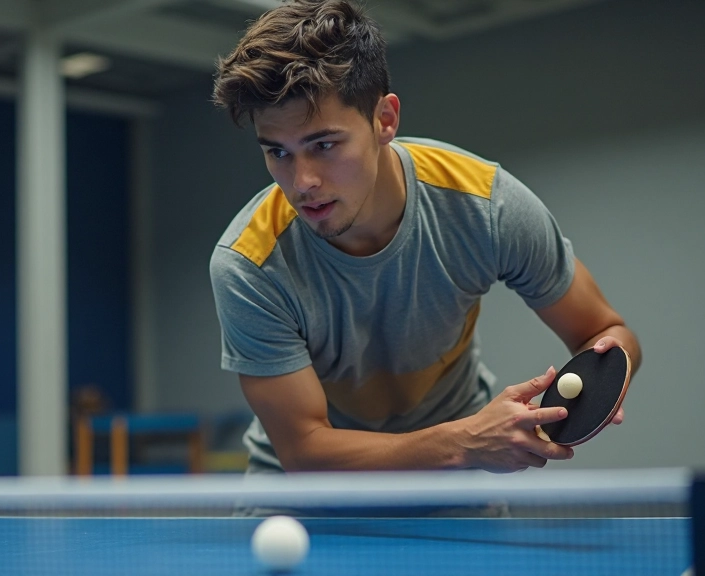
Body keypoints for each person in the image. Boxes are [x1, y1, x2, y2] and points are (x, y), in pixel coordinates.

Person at [208, 0, 641, 477]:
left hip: (455, 483)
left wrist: (595, 389)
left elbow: (605, 331)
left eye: (323, 145)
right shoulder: (248, 264)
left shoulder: (487, 206)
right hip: (309, 494)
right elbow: (305, 449)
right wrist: (469, 440)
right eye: (277, 152)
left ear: (384, 120)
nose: (301, 181)